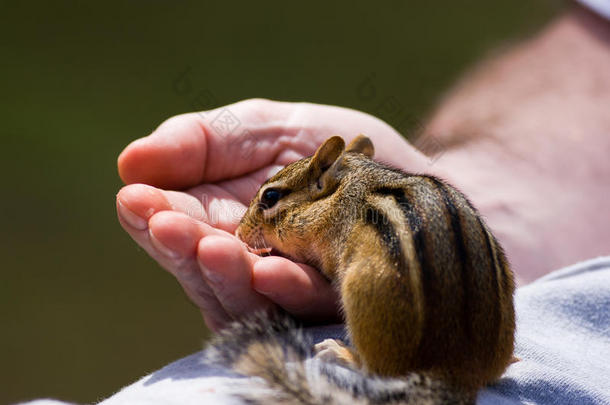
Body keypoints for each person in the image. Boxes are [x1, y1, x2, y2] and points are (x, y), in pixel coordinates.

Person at [21, 3, 610, 404]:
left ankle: (377, 365)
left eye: (271, 204)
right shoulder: (390, 197)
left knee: (366, 283)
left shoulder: (342, 217)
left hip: (434, 366)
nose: (260, 220)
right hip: (503, 355)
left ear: (325, 188)